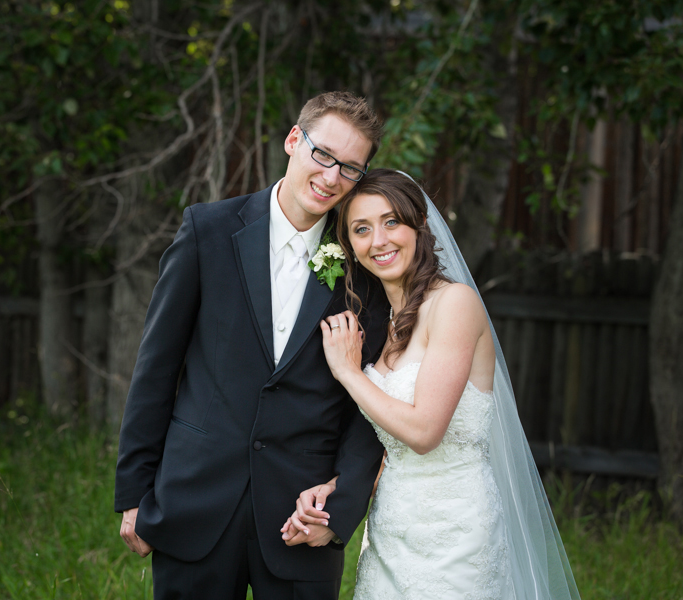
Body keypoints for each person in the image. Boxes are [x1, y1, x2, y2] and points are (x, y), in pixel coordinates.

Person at [115, 91, 391, 599]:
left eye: (350, 168)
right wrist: (134, 491)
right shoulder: (207, 230)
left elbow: (369, 400)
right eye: (323, 155)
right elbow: (156, 367)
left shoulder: (365, 264)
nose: (331, 177)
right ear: (293, 140)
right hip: (195, 501)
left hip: (301, 519)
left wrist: (341, 509)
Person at [282, 169, 580, 599]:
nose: (378, 240)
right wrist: (336, 489)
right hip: (391, 532)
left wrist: (348, 372)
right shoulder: (382, 322)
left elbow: (424, 432)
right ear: (349, 247)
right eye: (361, 229)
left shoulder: (454, 303)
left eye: (391, 222)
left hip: (454, 534)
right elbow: (391, 444)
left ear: (419, 224)